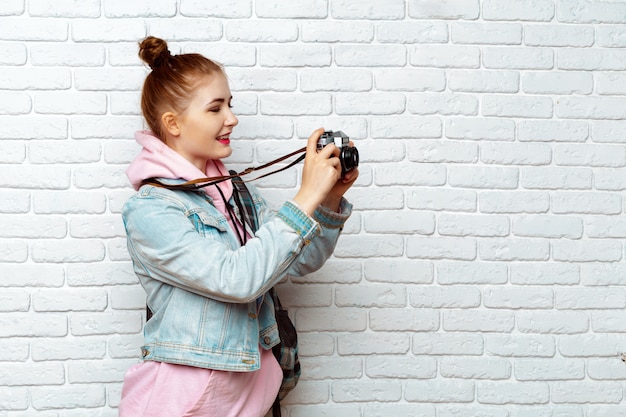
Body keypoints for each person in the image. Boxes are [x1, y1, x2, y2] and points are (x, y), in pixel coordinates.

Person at [118, 36, 358, 417]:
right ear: (172, 123)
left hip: (250, 401)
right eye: (215, 108)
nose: (232, 118)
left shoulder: (235, 192)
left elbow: (297, 260)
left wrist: (327, 199)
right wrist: (305, 196)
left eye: (230, 105)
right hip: (183, 405)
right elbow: (236, 280)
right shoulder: (151, 211)